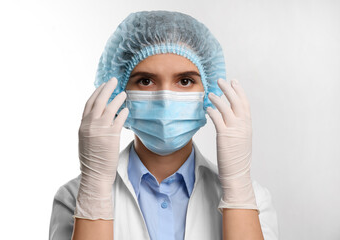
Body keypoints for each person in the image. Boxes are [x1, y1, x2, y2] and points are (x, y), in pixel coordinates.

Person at [49, 10, 278, 240]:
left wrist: (238, 190)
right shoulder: (75, 199)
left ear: (207, 92)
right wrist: (95, 192)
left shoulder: (253, 200)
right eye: (146, 81)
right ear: (118, 91)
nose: (165, 98)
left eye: (185, 81)